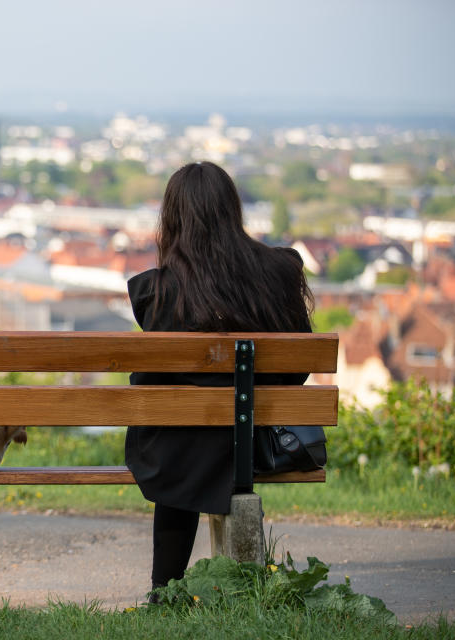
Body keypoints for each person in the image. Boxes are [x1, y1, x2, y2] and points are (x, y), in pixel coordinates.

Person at [124, 161, 313, 599]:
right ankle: (236, 587)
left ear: (172, 218)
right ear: (232, 210)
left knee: (179, 437)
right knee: (197, 433)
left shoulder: (158, 290)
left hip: (176, 449)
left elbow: (152, 376)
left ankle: (164, 589)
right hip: (254, 441)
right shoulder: (279, 271)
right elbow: (298, 367)